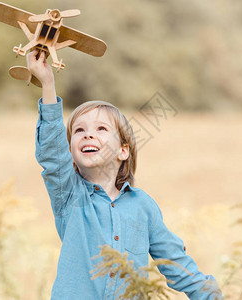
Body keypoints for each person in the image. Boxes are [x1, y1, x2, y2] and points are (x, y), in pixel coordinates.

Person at [27, 50, 223, 300]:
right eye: (79, 130)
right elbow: (52, 154)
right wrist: (47, 83)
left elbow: (177, 265)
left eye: (101, 129)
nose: (88, 135)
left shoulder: (143, 207)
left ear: (123, 150)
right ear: (70, 151)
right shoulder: (70, 196)